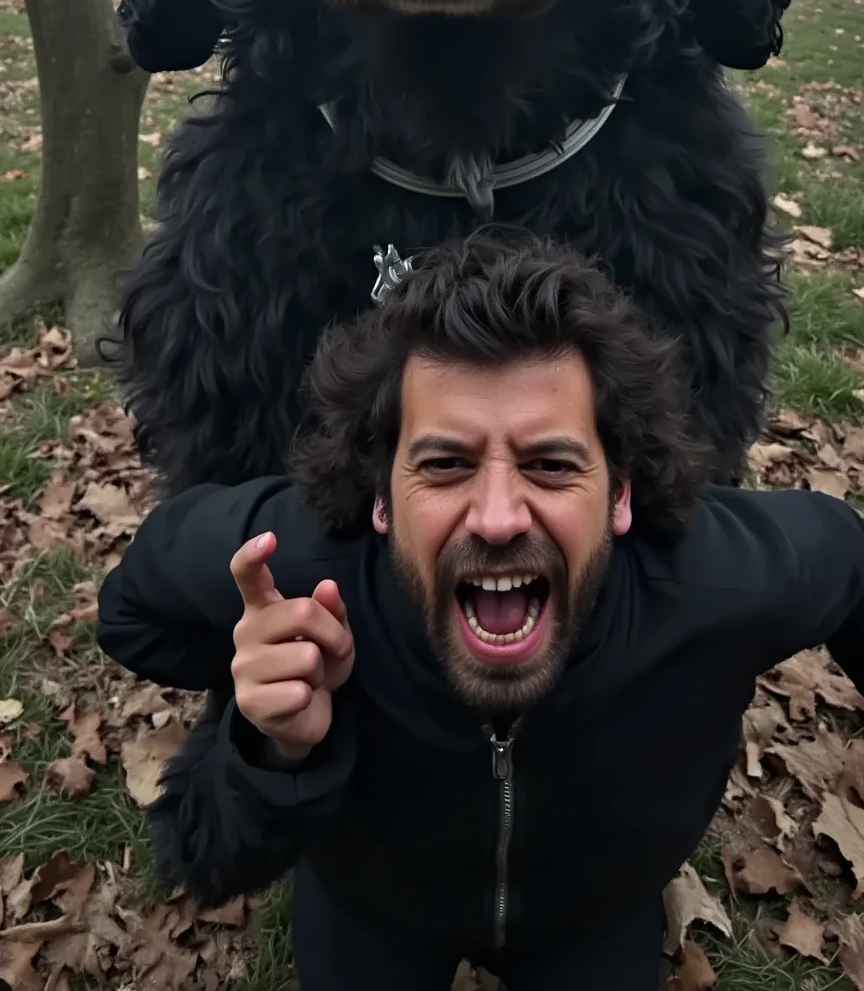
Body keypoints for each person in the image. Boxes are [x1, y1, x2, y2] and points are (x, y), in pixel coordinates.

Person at [96, 234, 864, 991]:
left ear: (622, 493)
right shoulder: (292, 562)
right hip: (371, 912)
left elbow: (850, 560)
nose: (497, 519)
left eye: (551, 464)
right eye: (446, 464)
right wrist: (268, 720)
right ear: (380, 497)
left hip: (594, 917)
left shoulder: (722, 581)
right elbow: (130, 613)